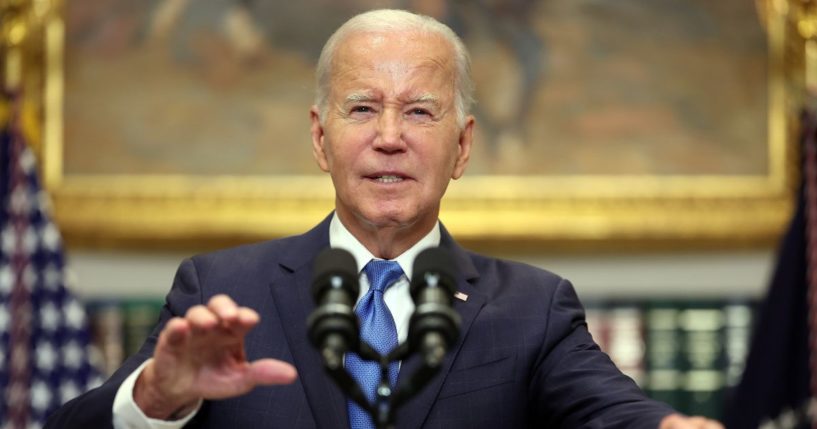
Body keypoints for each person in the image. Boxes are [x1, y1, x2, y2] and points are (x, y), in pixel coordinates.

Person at [47, 9, 724, 429]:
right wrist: (157, 396)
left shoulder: (530, 309)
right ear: (320, 138)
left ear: (461, 147)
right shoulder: (222, 291)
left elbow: (610, 409)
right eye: (363, 108)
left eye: (420, 111)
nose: (390, 136)